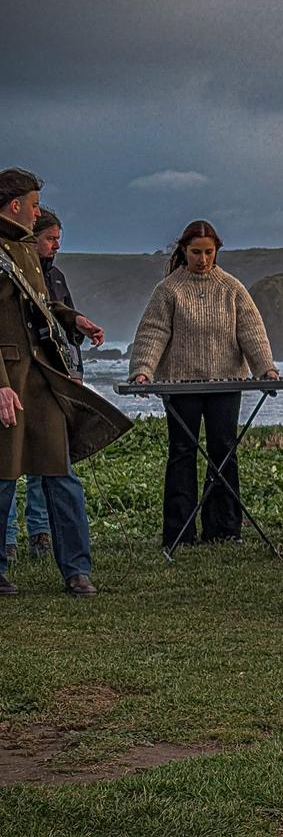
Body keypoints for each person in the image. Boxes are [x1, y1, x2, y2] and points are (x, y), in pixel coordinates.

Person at [0, 167, 131, 597]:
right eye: (34, 205)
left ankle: (76, 571)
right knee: (2, 479)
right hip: (9, 382)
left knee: (61, 476)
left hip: (41, 381)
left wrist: (73, 318)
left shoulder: (22, 249)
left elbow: (40, 304)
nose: (38, 213)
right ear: (15, 204)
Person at [128, 220, 279, 549]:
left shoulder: (232, 288)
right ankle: (179, 534)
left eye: (209, 252)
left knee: (224, 452)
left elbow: (251, 332)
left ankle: (224, 529)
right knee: (182, 452)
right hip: (180, 384)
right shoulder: (168, 289)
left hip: (226, 382)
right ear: (184, 250)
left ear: (216, 252)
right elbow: (153, 332)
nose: (203, 259)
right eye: (196, 252)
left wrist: (265, 369)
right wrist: (142, 370)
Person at [4, 208, 82, 560]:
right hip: (13, 376)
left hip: (46, 375)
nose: (56, 246)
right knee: (6, 472)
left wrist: (75, 320)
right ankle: (7, 548)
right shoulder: (11, 254)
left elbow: (49, 308)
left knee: (55, 468)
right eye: (50, 238)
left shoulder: (52, 273)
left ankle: (68, 559)